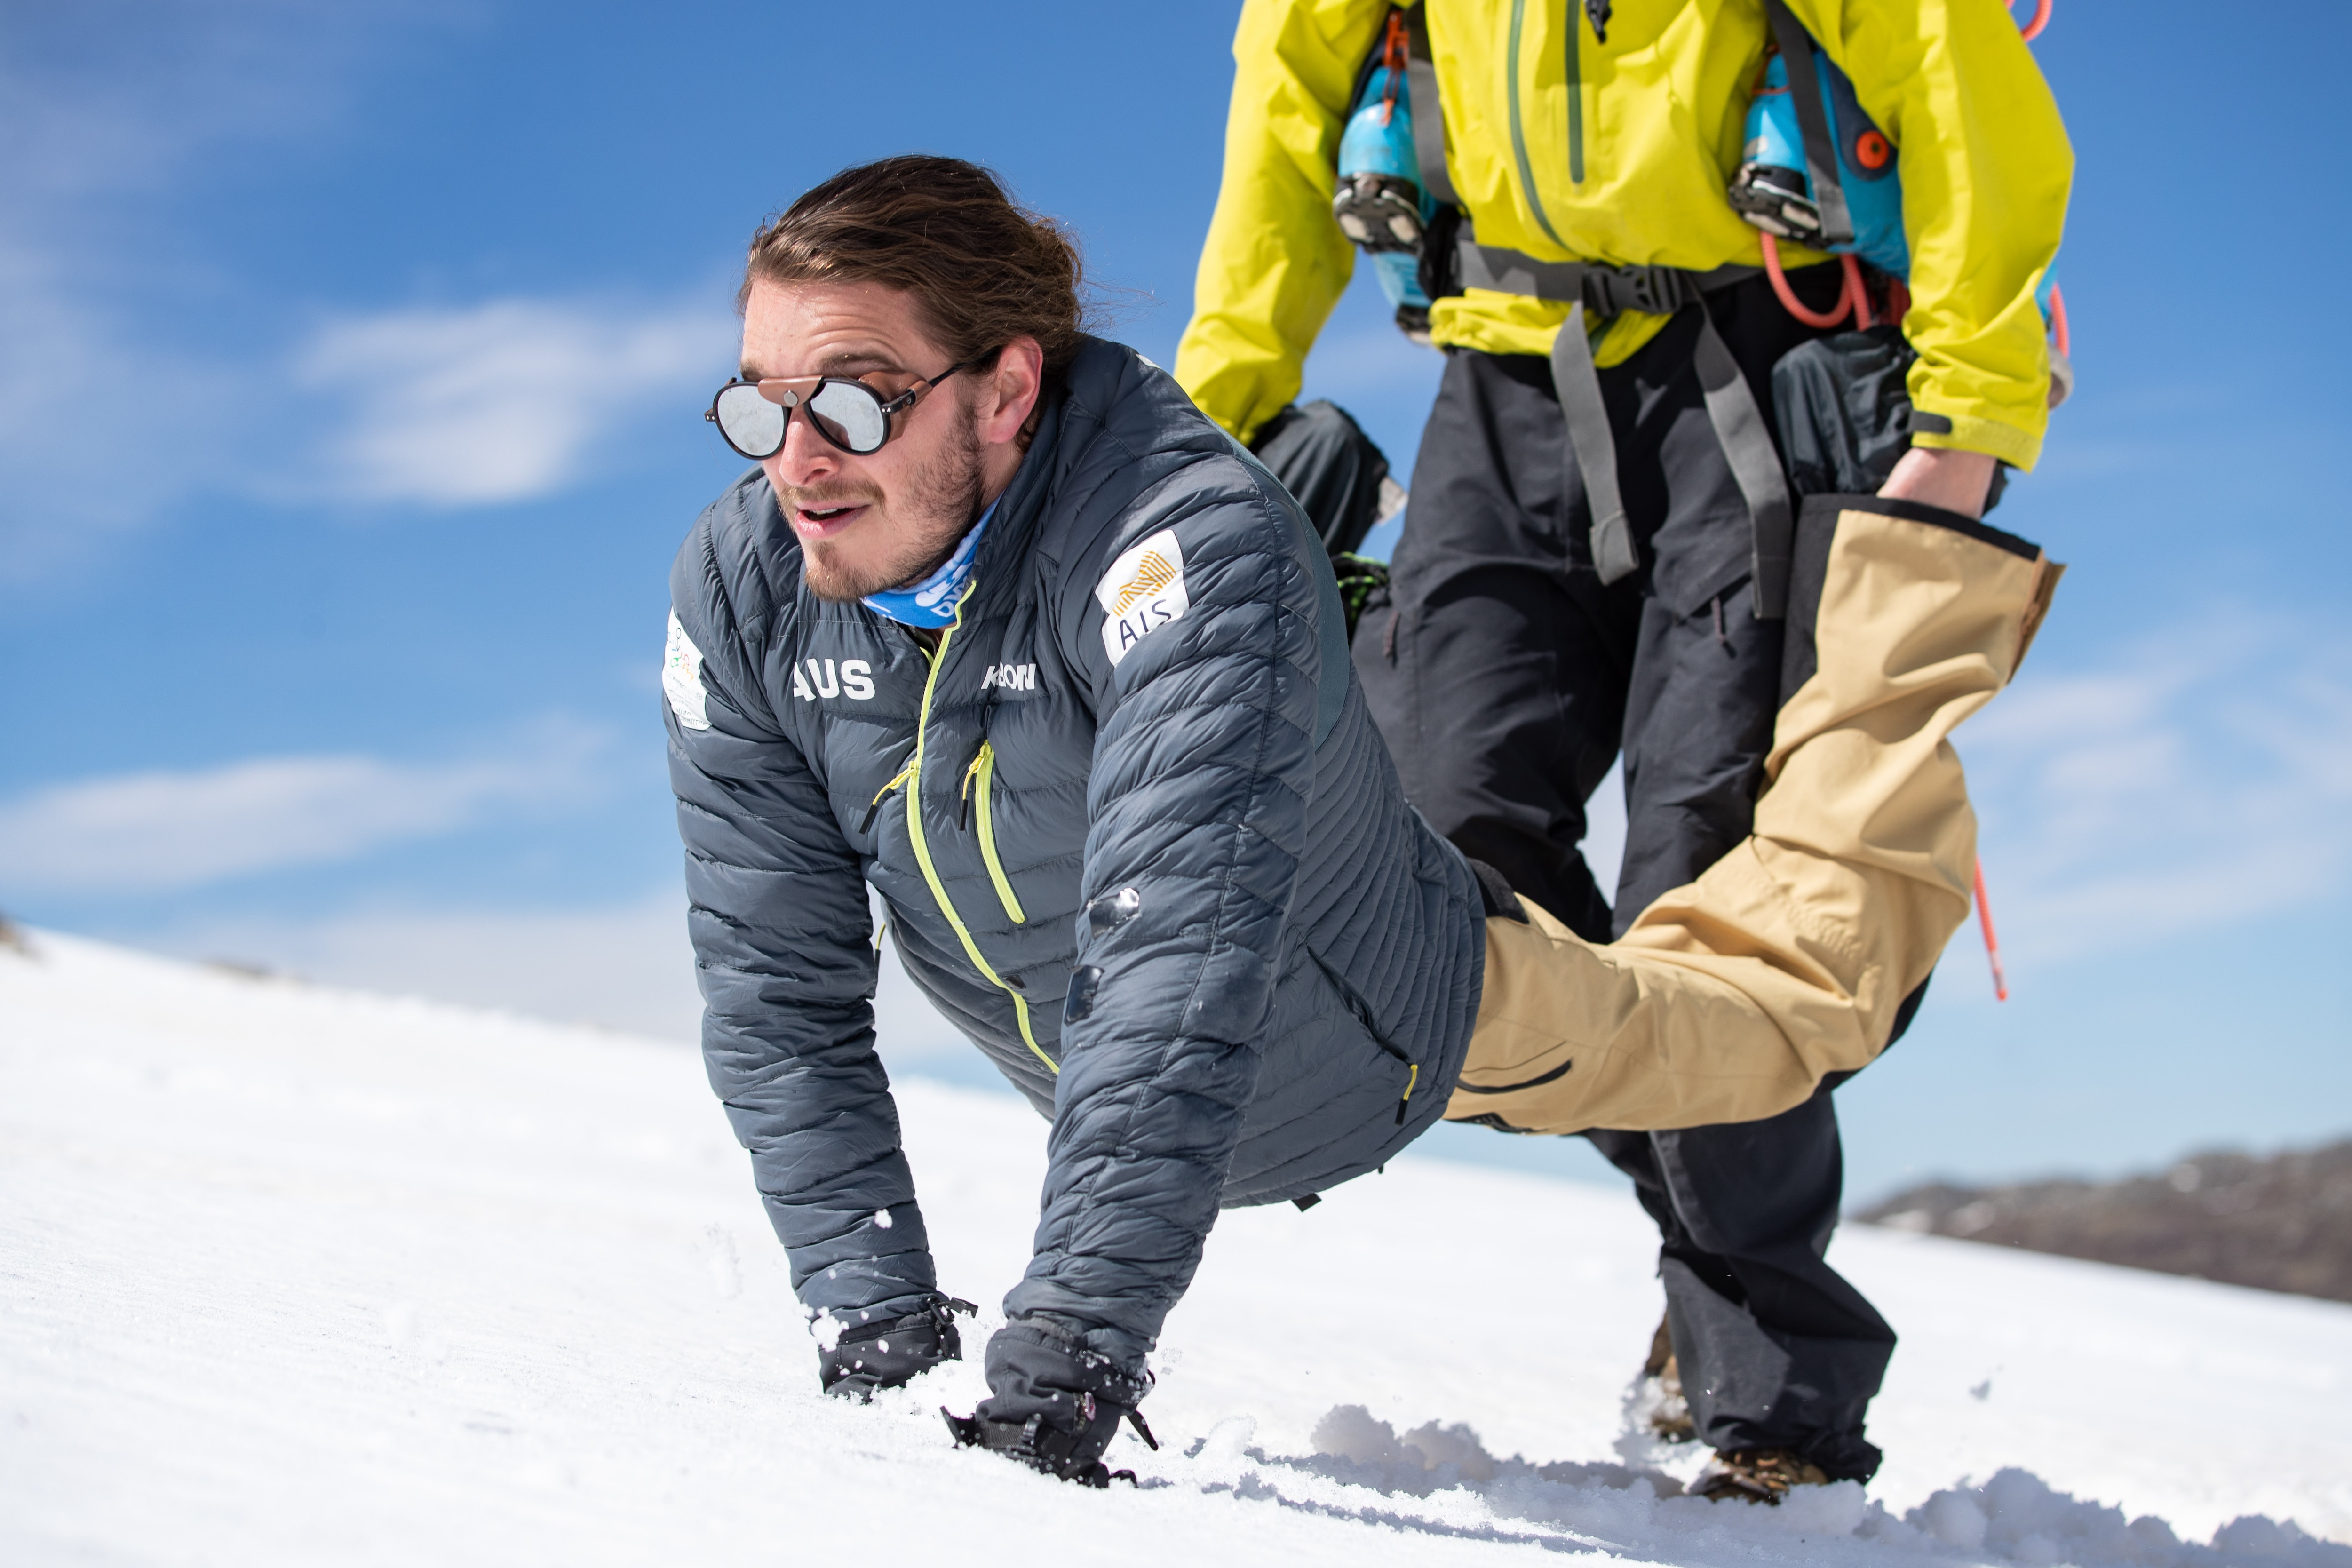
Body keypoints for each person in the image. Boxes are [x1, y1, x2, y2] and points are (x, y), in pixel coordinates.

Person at [665, 154, 2060, 1491]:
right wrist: (876, 1333)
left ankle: (1903, 620)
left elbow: (1175, 979)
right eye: (758, 406)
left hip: (1395, 1017)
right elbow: (776, 989)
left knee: (1767, 1009)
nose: (797, 462)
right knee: (1354, 708)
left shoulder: (1178, 543)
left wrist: (1068, 1357)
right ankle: (1327, 565)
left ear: (1008, 387)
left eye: (852, 405)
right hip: (1188, 971)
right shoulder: (750, 584)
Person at [1173, 0, 2070, 1496]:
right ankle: (1706, 1255)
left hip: (1760, 360)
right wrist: (1213, 428)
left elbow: (1960, 82)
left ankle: (1783, 1404)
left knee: (1710, 905)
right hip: (1503, 374)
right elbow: (1281, 128)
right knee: (1438, 848)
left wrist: (1974, 405)